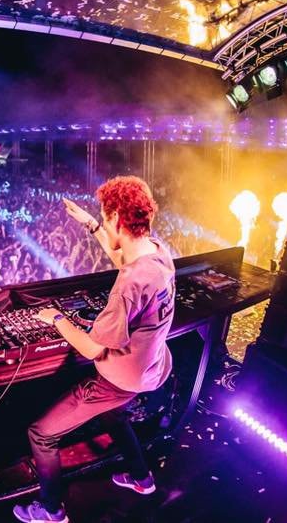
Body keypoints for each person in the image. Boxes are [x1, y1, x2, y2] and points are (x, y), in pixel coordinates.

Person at [13, 176, 176, 523]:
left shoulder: (129, 285)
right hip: (154, 369)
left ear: (117, 217)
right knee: (114, 414)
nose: (103, 220)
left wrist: (55, 317)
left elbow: (89, 348)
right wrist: (90, 225)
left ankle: (51, 510)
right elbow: (124, 258)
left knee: (40, 434)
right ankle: (142, 478)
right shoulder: (159, 255)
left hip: (119, 380)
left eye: (105, 216)